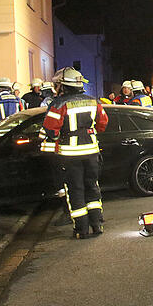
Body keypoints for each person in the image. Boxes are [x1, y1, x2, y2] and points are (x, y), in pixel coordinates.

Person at [40, 67, 108, 239]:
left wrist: (59, 136)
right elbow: (102, 124)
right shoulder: (94, 101)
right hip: (92, 152)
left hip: (70, 155)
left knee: (75, 190)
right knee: (92, 187)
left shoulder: (59, 104)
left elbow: (51, 130)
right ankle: (97, 224)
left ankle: (82, 229)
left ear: (64, 86)